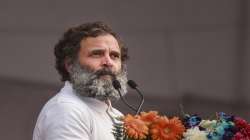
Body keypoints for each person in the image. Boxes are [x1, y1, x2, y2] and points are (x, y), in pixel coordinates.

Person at [33, 21, 129, 140]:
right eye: (97, 54)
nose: (108, 62)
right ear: (70, 65)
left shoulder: (117, 116)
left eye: (114, 56)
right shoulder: (67, 110)